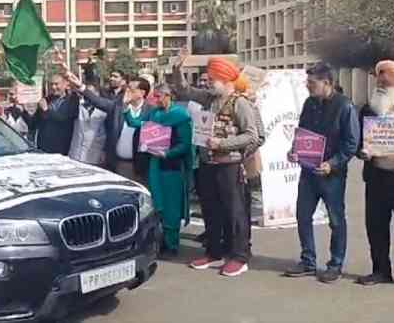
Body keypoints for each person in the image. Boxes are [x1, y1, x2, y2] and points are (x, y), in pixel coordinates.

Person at [172, 54, 259, 277]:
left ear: (226, 79)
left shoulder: (240, 103)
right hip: (207, 163)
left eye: (213, 79)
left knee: (235, 212)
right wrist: (177, 70)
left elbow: (251, 135)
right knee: (210, 211)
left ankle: (240, 256)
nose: (209, 82)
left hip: (229, 165)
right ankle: (213, 252)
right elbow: (184, 90)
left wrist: (223, 143)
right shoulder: (210, 99)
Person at [285, 63, 359, 283]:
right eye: (307, 82)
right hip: (308, 172)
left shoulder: (345, 106)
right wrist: (294, 151)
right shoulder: (309, 104)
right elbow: (302, 133)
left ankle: (335, 264)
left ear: (327, 83)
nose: (308, 86)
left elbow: (351, 143)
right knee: (302, 215)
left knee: (336, 220)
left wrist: (332, 163)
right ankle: (308, 261)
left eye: (312, 82)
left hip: (332, 175)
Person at [356, 60, 394, 287]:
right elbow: (357, 141)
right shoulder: (368, 109)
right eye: (378, 77)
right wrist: (362, 152)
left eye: (385, 78)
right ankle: (381, 271)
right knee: (376, 228)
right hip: (377, 178)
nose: (379, 82)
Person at [123, 84, 194, 255]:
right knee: (158, 204)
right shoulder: (154, 113)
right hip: (155, 165)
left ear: (168, 96)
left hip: (172, 167)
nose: (155, 99)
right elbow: (135, 123)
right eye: (154, 96)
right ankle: (161, 240)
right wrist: (126, 107)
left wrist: (168, 153)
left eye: (158, 96)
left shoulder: (181, 116)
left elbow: (185, 144)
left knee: (171, 206)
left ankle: (172, 244)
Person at [68, 73, 154, 184]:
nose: (127, 91)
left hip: (140, 168)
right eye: (126, 88)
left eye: (131, 89)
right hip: (117, 164)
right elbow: (97, 101)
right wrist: (80, 86)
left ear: (142, 93)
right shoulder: (117, 106)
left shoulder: (152, 112)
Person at [29, 74, 79, 155]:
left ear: (65, 84)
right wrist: (25, 111)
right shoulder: (46, 100)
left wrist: (46, 110)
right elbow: (32, 124)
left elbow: (64, 119)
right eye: (51, 84)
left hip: (62, 148)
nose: (53, 87)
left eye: (56, 84)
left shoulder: (72, 100)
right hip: (44, 148)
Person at [68, 82, 108, 166]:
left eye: (91, 93)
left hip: (95, 154)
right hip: (76, 153)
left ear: (97, 94)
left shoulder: (105, 111)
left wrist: (104, 151)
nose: (88, 96)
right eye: (85, 93)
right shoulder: (77, 107)